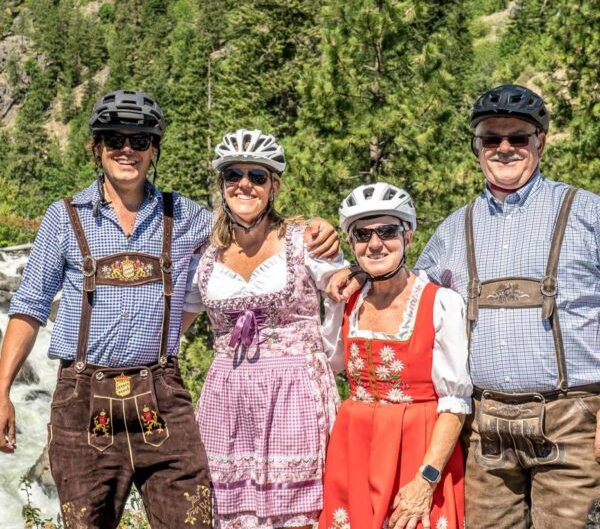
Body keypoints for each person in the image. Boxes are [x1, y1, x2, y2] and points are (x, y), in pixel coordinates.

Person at [0, 91, 339, 528]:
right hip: (82, 398)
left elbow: (249, 225)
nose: (127, 149)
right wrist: (3, 388)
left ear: (154, 150)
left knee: (192, 521)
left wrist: (314, 227)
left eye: (140, 141)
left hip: (162, 395)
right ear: (96, 147)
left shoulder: (187, 216)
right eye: (114, 139)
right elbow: (27, 308)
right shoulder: (63, 218)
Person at [328, 84, 600, 528]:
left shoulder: (588, 213)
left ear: (541, 143)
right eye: (492, 138)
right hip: (485, 429)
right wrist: (360, 273)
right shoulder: (456, 228)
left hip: (572, 420)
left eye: (519, 137)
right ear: (477, 147)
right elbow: (409, 289)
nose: (505, 148)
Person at [183, 129, 347, 529]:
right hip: (227, 398)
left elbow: (348, 290)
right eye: (233, 175)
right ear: (221, 185)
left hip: (295, 393)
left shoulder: (306, 241)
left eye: (257, 177)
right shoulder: (204, 253)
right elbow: (176, 326)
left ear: (275, 185)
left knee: (299, 515)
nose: (244, 184)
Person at [320, 182, 471, 529]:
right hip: (354, 449)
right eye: (362, 234)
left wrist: (426, 478)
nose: (375, 244)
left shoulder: (440, 304)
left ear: (409, 238)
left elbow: (455, 403)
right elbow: (330, 364)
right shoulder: (348, 302)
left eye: (387, 231)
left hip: (417, 451)